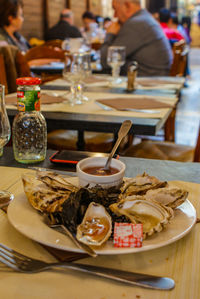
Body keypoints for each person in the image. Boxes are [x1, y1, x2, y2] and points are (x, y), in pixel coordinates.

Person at [101, 0, 173, 77]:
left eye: (115, 9)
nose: (115, 16)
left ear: (127, 6)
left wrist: (110, 34)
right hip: (151, 79)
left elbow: (106, 61)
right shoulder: (144, 18)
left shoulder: (136, 24)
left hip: (146, 83)